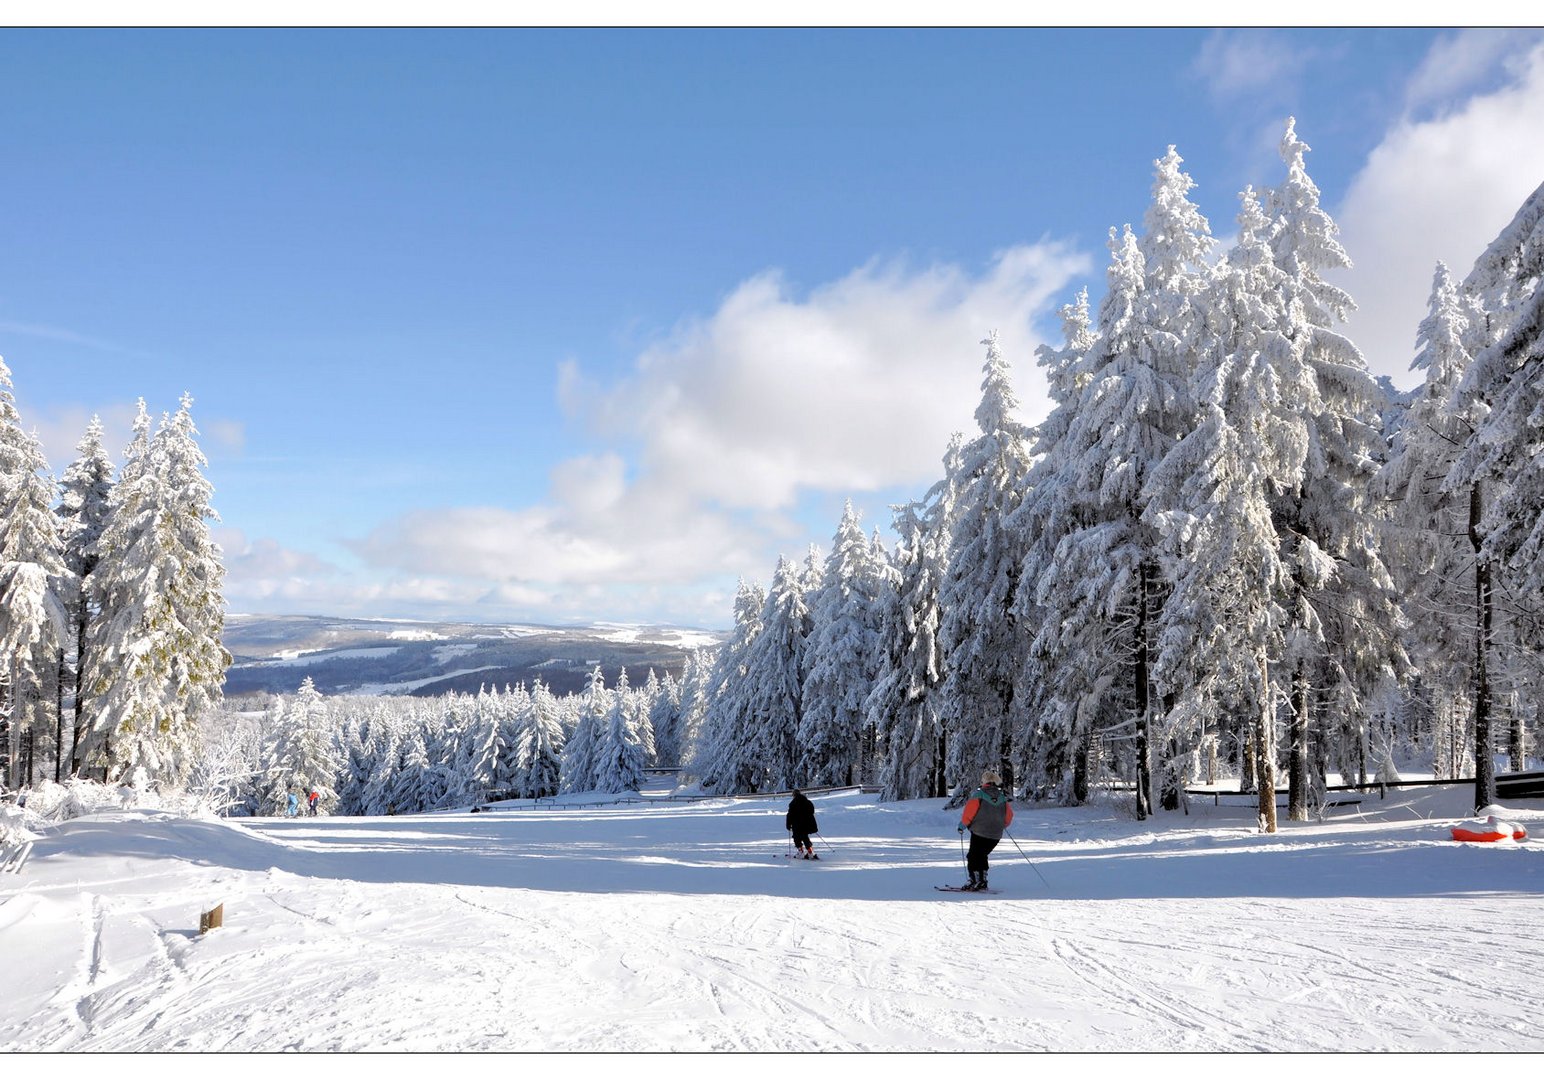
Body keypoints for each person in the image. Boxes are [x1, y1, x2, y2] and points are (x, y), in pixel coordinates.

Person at [957, 769, 1013, 891]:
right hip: (995, 835)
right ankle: (982, 880)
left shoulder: (979, 795)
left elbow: (969, 813)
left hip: (979, 832)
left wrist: (962, 825)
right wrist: (1001, 825)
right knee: (982, 855)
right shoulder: (1002, 797)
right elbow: (1009, 816)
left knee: (973, 856)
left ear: (984, 781)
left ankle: (975, 880)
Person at [786, 788, 819, 859]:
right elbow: (812, 811)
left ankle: (800, 852)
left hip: (797, 824)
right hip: (806, 824)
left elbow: (790, 815)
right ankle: (810, 852)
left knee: (796, 838)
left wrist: (788, 825)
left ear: (794, 795)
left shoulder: (792, 803)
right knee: (805, 837)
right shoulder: (807, 802)